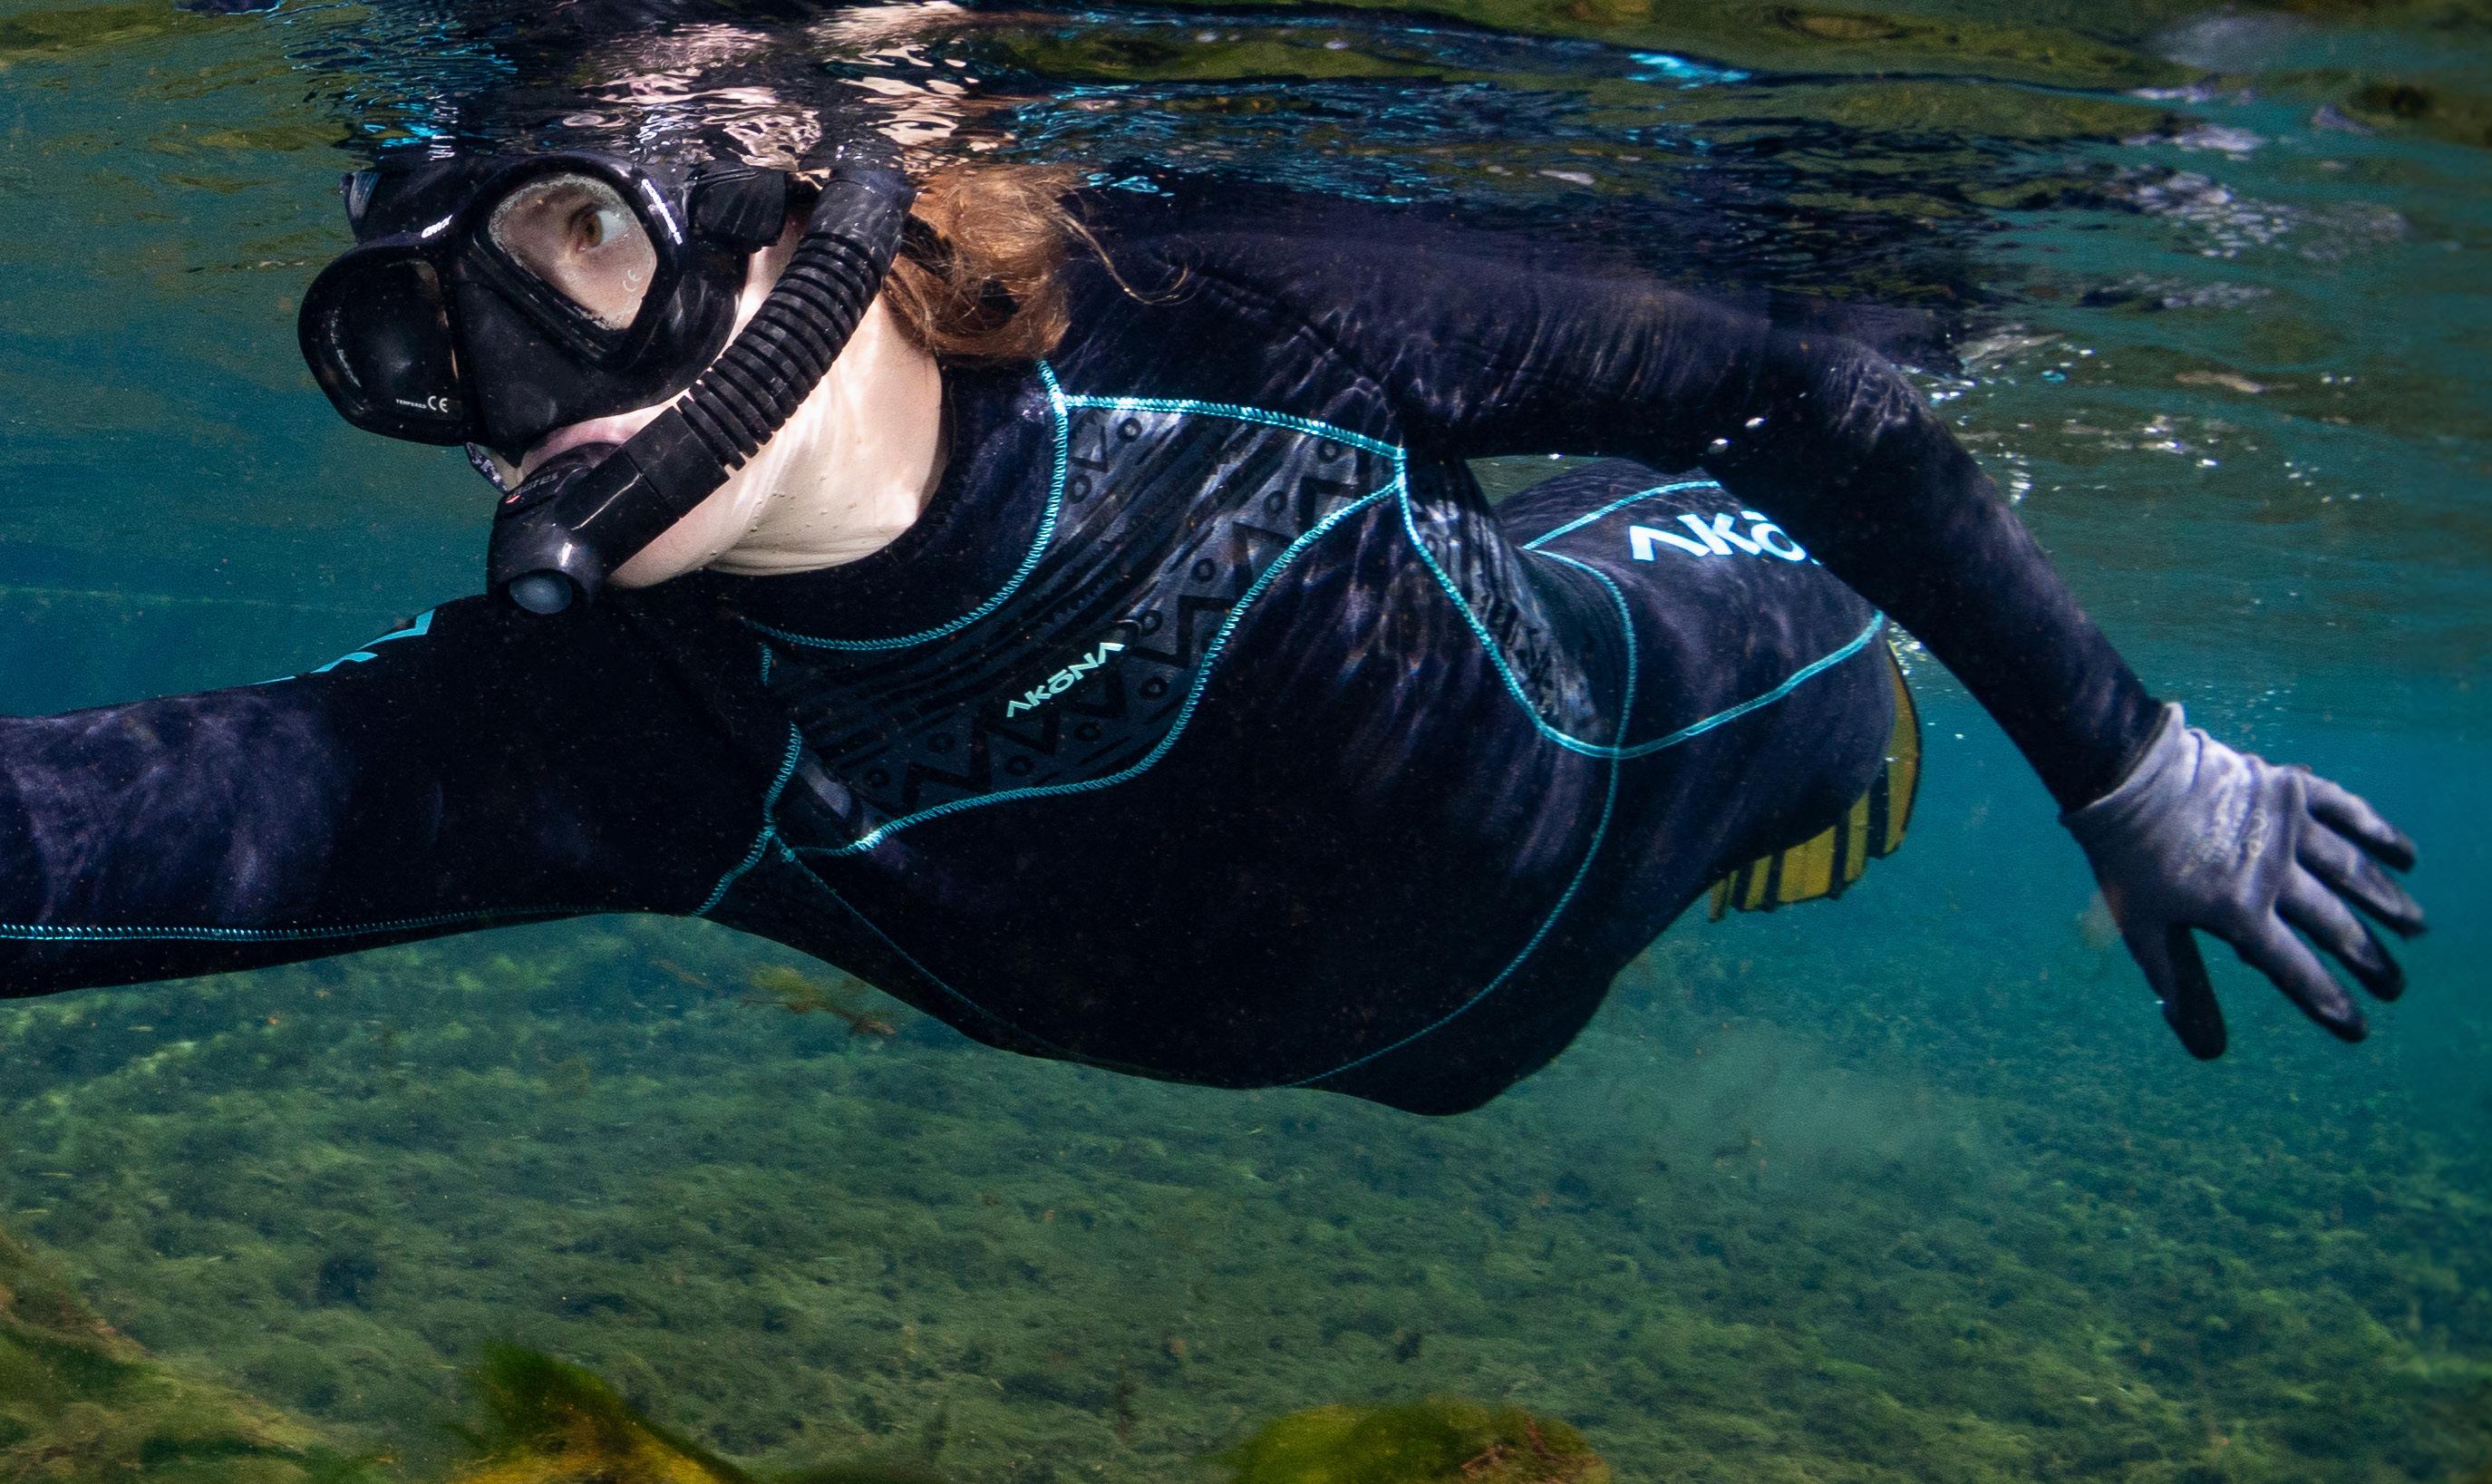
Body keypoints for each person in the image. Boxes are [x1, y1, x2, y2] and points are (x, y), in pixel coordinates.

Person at [0, 143, 2424, 1116]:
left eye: (583, 247)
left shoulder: (1230, 316)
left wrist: (2133, 767)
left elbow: (1802, 398)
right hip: (1420, 1043)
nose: (523, 403)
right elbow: (92, 837)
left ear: (802, 192)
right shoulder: (611, 733)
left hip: (1685, 714)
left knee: (1777, 561)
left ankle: (1850, 717)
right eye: (430, 341)